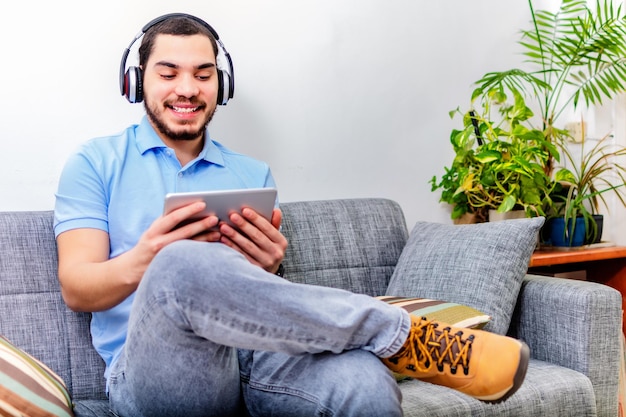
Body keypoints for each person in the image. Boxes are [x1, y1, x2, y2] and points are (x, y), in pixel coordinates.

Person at [53, 13, 529, 417]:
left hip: (257, 357)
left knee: (363, 382)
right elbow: (77, 287)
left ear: (222, 83)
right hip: (154, 371)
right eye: (168, 72)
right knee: (179, 263)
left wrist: (268, 267)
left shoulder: (249, 172)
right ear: (136, 81)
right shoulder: (96, 162)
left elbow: (258, 293)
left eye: (203, 74)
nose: (188, 89)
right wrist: (150, 257)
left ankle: (391, 344)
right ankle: (399, 334)